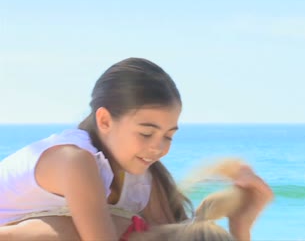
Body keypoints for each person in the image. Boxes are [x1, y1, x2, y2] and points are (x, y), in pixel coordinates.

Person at [0, 58, 273, 240]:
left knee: (137, 229)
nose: (157, 148)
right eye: (146, 133)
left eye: (168, 136)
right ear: (105, 120)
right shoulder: (73, 159)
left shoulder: (140, 176)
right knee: (83, 230)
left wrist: (241, 225)